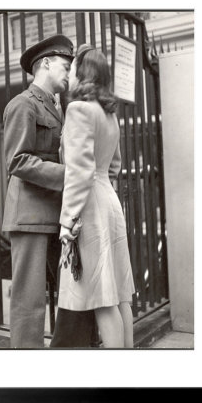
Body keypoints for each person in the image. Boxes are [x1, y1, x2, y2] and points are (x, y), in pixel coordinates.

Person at [2, 34, 94, 348]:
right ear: (45, 63)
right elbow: (17, 160)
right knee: (29, 302)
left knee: (67, 292)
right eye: (65, 66)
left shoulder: (55, 106)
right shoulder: (22, 104)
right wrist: (70, 175)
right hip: (28, 215)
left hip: (51, 214)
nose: (69, 73)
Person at [54, 44, 136, 348]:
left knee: (102, 298)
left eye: (74, 68)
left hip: (90, 205)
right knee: (119, 295)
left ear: (82, 73)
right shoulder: (108, 114)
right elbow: (114, 166)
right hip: (109, 201)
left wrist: (67, 222)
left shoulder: (78, 109)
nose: (71, 73)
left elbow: (78, 172)